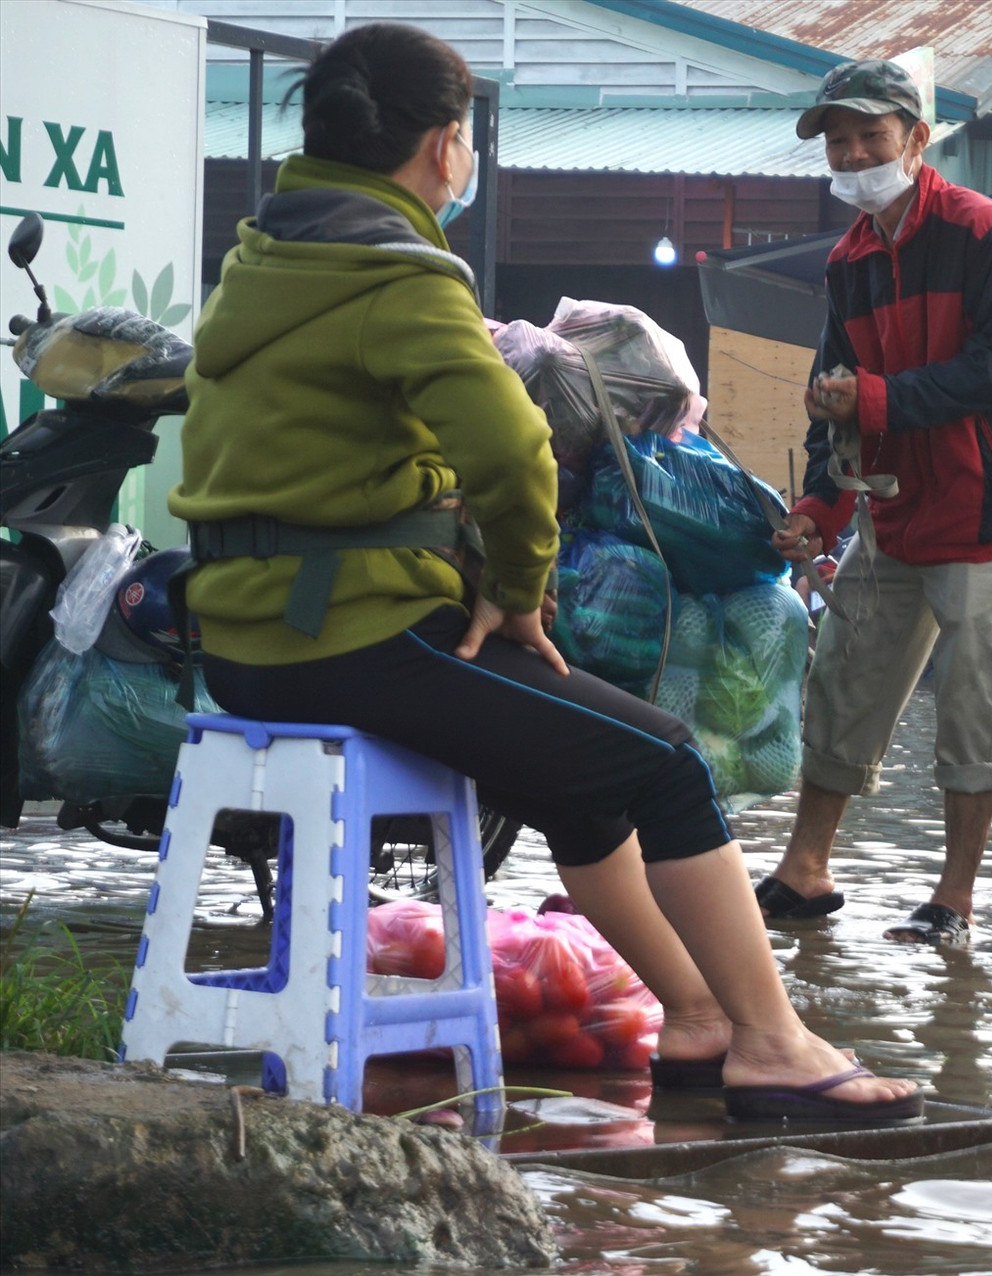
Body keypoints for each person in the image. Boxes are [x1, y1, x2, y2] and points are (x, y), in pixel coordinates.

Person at [168, 23, 918, 1122]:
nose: (464, 159)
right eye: (463, 138)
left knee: (580, 770)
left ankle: (701, 1019)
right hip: (346, 641)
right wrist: (518, 591)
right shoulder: (397, 273)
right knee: (663, 762)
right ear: (440, 146)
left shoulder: (266, 257)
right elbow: (516, 451)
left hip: (240, 641)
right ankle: (773, 1041)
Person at [758, 58, 992, 946]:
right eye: (839, 142)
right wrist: (818, 509)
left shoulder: (982, 231)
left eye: (870, 137)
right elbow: (833, 394)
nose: (853, 155)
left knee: (971, 705)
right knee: (843, 679)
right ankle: (805, 869)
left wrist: (878, 400)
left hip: (987, 510)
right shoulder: (848, 261)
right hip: (897, 513)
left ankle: (955, 900)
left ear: (916, 139)